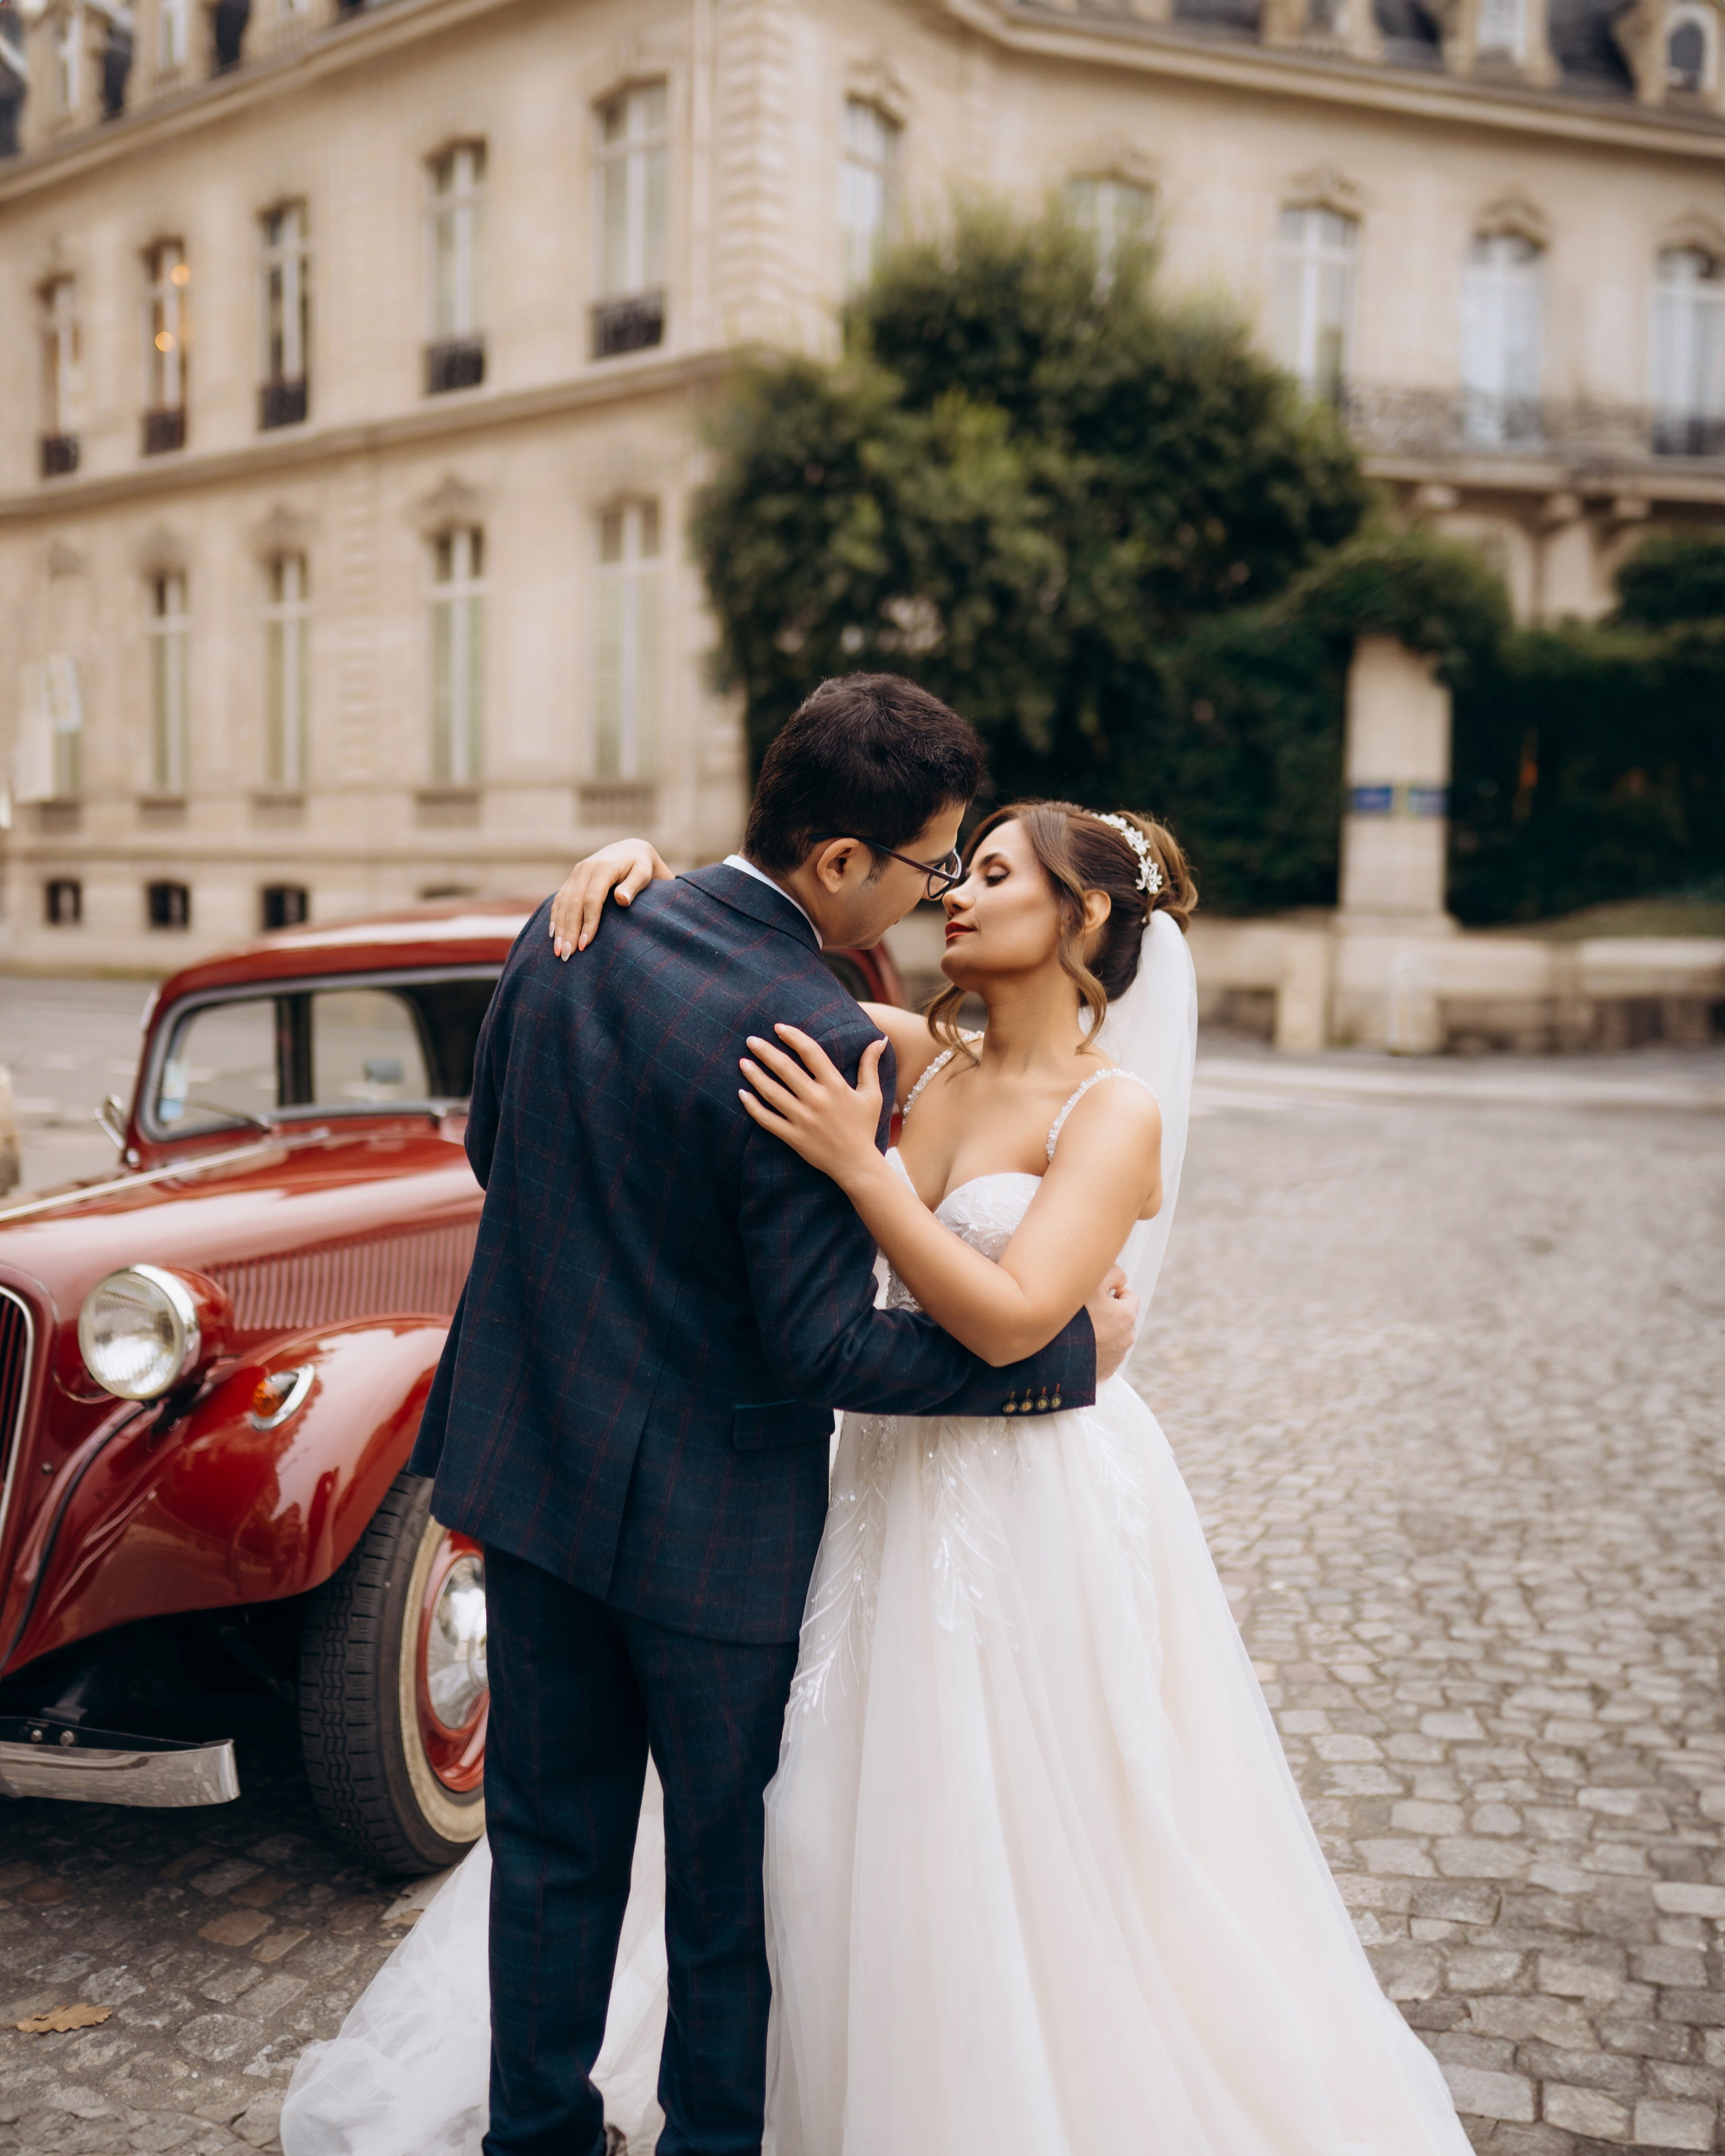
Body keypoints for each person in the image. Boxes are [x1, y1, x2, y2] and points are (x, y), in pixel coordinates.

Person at [288, 769, 1476, 2155]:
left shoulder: (1114, 1113)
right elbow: (717, 978)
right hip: (877, 1489)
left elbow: (1015, 1316)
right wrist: (631, 871)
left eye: (986, 875)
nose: (949, 895)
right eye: (946, 868)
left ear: (1081, 914)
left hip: (1028, 1494)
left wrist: (862, 1174)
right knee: (819, 1828)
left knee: (1013, 1815)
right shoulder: (935, 1059)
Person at [280, 676, 1137, 2156]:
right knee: (727, 1882)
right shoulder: (812, 1032)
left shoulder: (575, 931)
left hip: (533, 1476)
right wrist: (1044, 1364)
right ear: (839, 865)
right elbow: (819, 1341)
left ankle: (535, 2136)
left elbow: (496, 1147)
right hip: (713, 1533)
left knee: (549, 1849)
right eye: (931, 861)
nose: (938, 889)